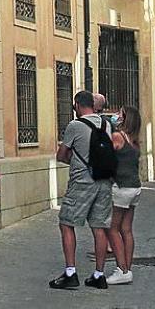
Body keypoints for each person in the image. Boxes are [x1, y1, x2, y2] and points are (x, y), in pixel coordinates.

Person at [50, 91, 113, 290]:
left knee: (67, 223)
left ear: (77, 105)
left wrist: (74, 160)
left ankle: (70, 272)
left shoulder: (75, 125)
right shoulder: (106, 124)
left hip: (81, 182)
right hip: (103, 180)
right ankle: (99, 274)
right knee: (99, 227)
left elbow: (62, 154)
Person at [105, 105, 142, 286]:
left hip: (120, 187)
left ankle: (122, 269)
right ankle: (128, 267)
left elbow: (106, 155)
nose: (116, 116)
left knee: (112, 228)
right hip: (135, 187)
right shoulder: (134, 141)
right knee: (126, 229)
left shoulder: (118, 137)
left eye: (120, 114)